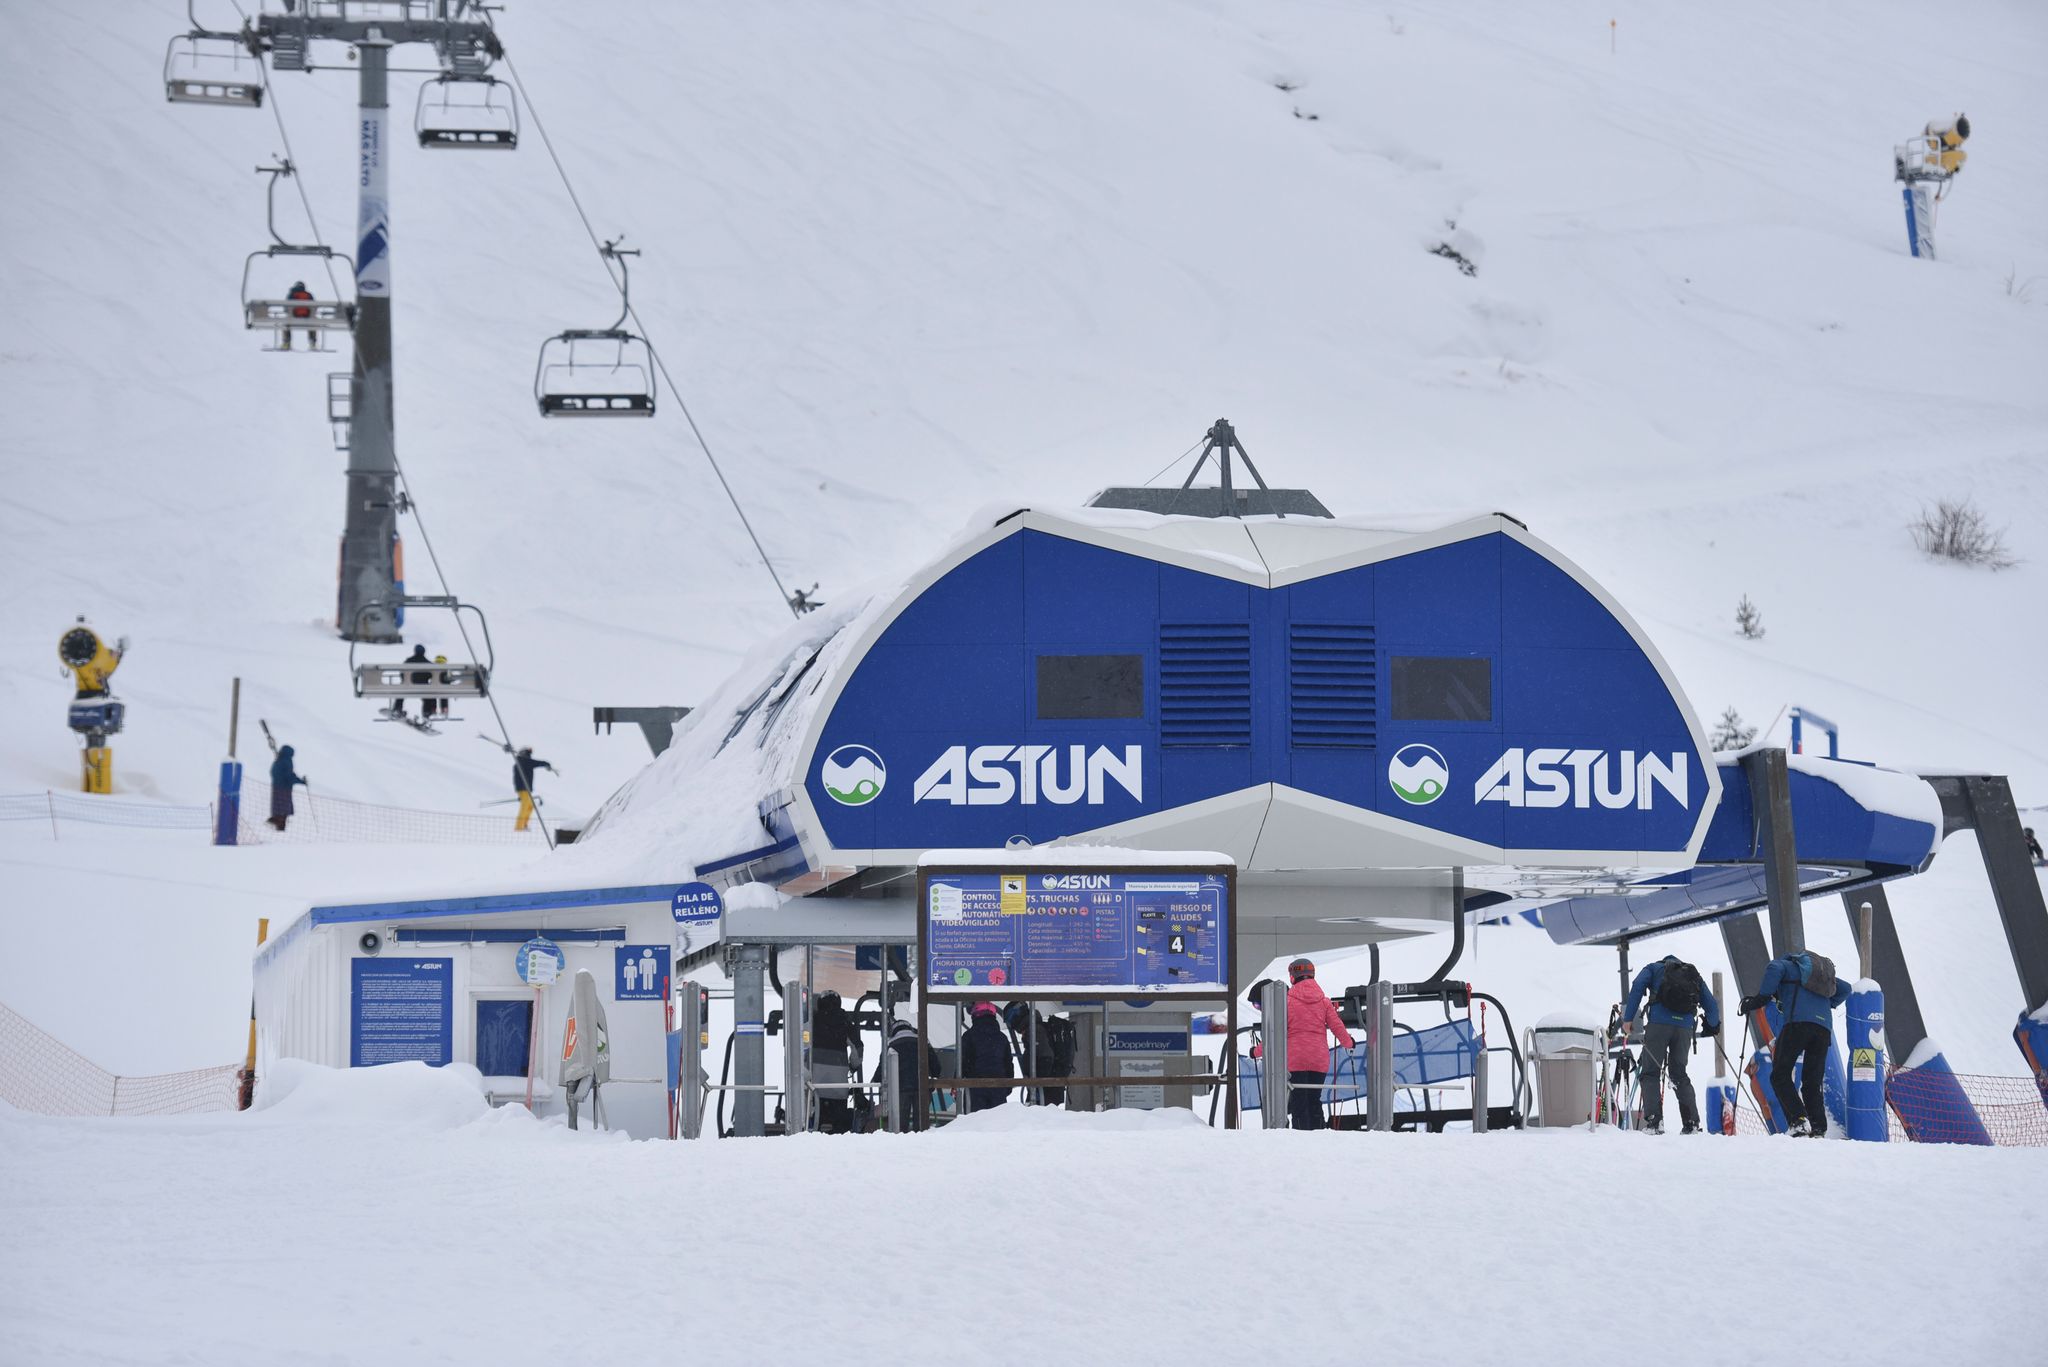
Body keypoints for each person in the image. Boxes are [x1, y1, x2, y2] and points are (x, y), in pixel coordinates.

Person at [1741, 949, 1851, 1137]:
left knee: (1779, 1075)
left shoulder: (1787, 966)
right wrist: (1828, 1003)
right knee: (1812, 1081)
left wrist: (1761, 998)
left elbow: (1773, 967)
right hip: (1823, 1030)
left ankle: (1798, 1121)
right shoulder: (1821, 978)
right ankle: (1818, 1128)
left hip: (1798, 1024)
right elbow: (1845, 988)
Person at [1621, 954, 1721, 1135]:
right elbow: (1711, 1004)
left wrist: (1628, 1019)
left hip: (1658, 1025)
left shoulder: (1653, 968)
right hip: (1684, 1028)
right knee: (1679, 1074)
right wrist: (1713, 1026)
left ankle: (1654, 1122)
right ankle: (1691, 1123)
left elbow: (1637, 987)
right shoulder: (1692, 974)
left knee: (1651, 1072)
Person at [1284, 958, 1354, 1131]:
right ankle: (1319, 1135)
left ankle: (1301, 1138)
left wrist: (1256, 1052)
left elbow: (1275, 1032)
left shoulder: (1287, 1001)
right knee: (1315, 1099)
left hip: (1296, 1059)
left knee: (1299, 1101)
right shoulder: (1324, 1002)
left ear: (1293, 976)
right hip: (1319, 1059)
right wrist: (1349, 1042)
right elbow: (1337, 1026)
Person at [880, 1010, 941, 1129]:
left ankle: (902, 1145)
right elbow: (936, 1067)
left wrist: (876, 1085)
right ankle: (922, 1144)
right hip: (921, 1087)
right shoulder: (922, 1041)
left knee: (901, 1126)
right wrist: (933, 1079)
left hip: (900, 1089)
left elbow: (882, 1070)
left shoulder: (890, 1044)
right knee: (921, 1125)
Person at [1002, 1001, 1073, 1105]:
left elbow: (1046, 1057)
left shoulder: (1035, 1030)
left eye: (1010, 1021)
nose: (1012, 1026)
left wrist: (1036, 1082)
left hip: (1044, 1090)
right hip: (1048, 1088)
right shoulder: (1035, 1029)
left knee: (1039, 1119)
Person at [810, 990, 857, 1133]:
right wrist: (853, 1065)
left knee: (817, 1122)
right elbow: (857, 1049)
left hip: (816, 1082)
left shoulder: (813, 1022)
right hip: (839, 1083)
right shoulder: (845, 1021)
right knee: (839, 1125)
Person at [957, 1002, 1014, 1112]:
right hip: (999, 1087)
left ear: (975, 1015)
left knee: (976, 1123)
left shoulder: (969, 1036)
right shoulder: (1002, 1038)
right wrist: (1007, 1087)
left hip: (975, 1087)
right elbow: (1008, 1064)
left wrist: (956, 1083)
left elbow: (962, 1062)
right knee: (998, 1122)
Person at [510, 746, 551, 832]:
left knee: (530, 806)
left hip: (525, 789)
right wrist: (546, 763)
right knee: (525, 806)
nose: (529, 756)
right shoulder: (524, 761)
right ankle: (519, 827)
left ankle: (524, 824)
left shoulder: (521, 762)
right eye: (528, 753)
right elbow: (536, 763)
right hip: (523, 788)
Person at [267, 744, 307, 831]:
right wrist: (301, 781)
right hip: (285, 788)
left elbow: (273, 772)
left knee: (278, 806)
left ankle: (276, 822)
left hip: (276, 787)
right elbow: (289, 776)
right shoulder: (287, 761)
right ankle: (280, 826)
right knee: (284, 808)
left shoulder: (277, 761)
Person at [282, 281, 314, 351]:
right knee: (314, 323)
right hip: (307, 319)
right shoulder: (308, 295)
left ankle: (286, 342)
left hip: (293, 318)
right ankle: (313, 342)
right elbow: (314, 307)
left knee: (286, 324)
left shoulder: (292, 294)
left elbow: (286, 308)